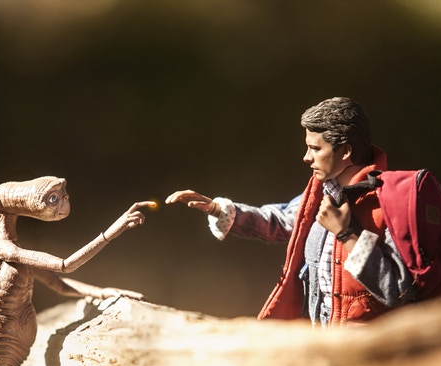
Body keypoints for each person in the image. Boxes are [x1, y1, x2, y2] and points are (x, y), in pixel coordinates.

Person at [166, 97, 416, 327]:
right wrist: (215, 208)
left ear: (346, 151)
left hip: (371, 346)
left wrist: (346, 233)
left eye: (315, 149)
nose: (306, 157)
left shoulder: (386, 203)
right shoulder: (321, 194)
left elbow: (397, 289)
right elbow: (281, 221)